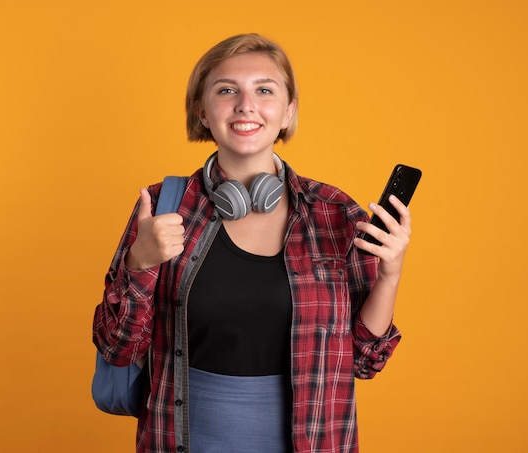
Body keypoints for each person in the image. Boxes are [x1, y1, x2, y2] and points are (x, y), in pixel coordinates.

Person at [93, 33, 411, 453]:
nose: (246, 105)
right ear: (202, 111)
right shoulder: (163, 208)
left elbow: (364, 360)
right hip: (182, 440)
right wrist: (140, 264)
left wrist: (390, 275)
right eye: (227, 90)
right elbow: (118, 348)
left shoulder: (336, 214)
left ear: (287, 111)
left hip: (314, 441)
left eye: (264, 90)